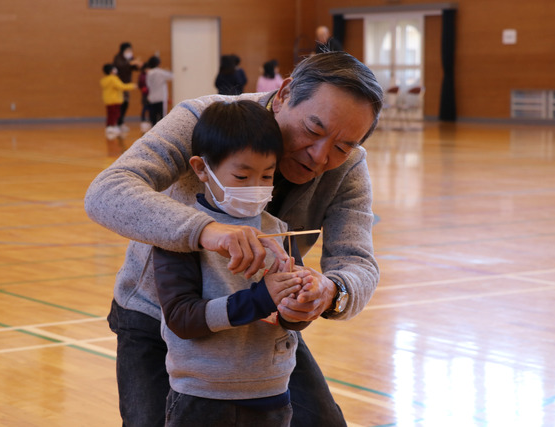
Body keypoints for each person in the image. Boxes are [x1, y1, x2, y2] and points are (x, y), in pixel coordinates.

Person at [85, 51, 384, 427]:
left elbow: (357, 261)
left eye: (342, 146)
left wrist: (331, 291)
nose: (320, 155)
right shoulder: (206, 120)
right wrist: (206, 231)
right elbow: (106, 191)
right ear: (284, 94)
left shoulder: (350, 168)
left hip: (257, 323)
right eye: (313, 129)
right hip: (157, 312)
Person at [155, 100, 316, 426]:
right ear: (202, 169)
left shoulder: (279, 230)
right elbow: (182, 319)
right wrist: (260, 299)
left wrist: (302, 306)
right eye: (242, 176)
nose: (256, 188)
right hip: (201, 396)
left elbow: (290, 319)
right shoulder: (181, 231)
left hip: (271, 392)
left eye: (267, 175)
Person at [99, 63, 137, 138]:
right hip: (115, 100)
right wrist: (132, 86)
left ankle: (110, 126)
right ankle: (112, 126)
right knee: (115, 114)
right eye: (114, 68)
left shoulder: (106, 80)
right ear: (111, 71)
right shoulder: (113, 79)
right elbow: (121, 86)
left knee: (111, 114)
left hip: (108, 100)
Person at [113, 42, 143, 132]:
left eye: (130, 50)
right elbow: (120, 66)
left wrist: (138, 65)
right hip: (119, 84)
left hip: (126, 84)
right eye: (127, 50)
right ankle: (117, 123)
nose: (129, 52)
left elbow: (134, 67)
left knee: (125, 103)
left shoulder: (129, 58)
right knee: (119, 104)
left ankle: (121, 122)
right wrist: (130, 63)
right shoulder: (118, 58)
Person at [145, 56, 173, 128]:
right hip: (161, 98)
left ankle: (153, 131)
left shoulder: (149, 73)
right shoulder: (161, 72)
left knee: (153, 117)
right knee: (162, 117)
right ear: (158, 63)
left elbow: (148, 84)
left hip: (152, 98)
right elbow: (172, 76)